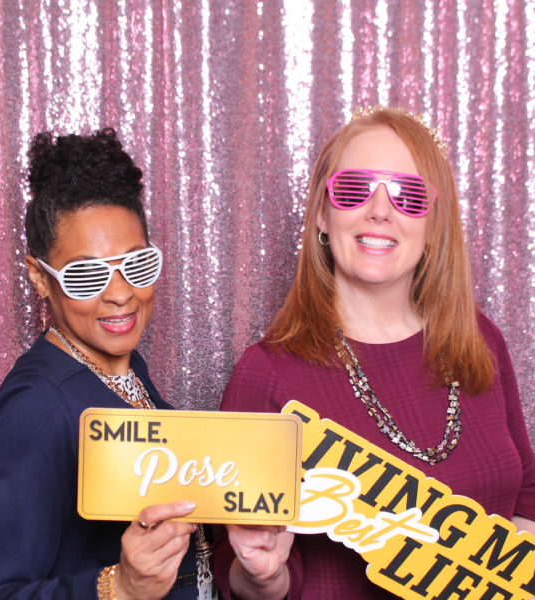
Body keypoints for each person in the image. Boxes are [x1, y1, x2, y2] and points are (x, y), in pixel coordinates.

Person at [213, 107, 535, 599]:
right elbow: (234, 568)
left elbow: (526, 494)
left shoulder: (479, 340)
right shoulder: (268, 375)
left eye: (409, 195)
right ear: (322, 214)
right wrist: (264, 575)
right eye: (353, 189)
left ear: (434, 223)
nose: (380, 211)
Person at [0, 129, 213, 599]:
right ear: (39, 278)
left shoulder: (126, 369)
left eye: (137, 265)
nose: (121, 294)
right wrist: (120, 587)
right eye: (87, 274)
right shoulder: (30, 414)